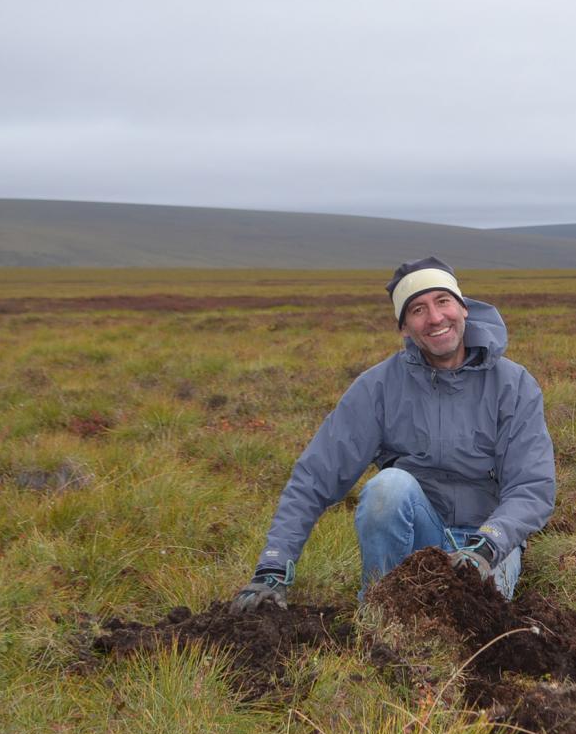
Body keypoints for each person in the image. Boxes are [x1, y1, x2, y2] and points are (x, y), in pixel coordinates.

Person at [230, 257, 556, 613]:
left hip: (490, 545)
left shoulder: (513, 384)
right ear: (404, 327)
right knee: (388, 488)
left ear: (463, 308)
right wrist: (273, 565)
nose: (434, 318)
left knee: (471, 619)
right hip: (418, 539)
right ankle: (382, 611)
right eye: (417, 309)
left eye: (443, 302)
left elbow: (532, 486)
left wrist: (488, 546)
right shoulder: (378, 387)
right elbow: (315, 477)